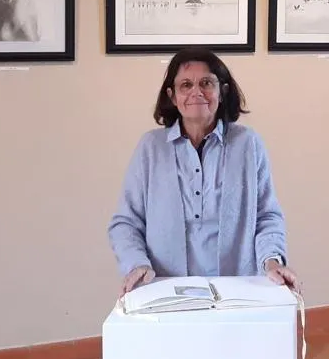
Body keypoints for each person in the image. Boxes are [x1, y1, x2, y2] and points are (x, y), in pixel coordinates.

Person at [107, 47, 299, 297]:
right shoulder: (151, 147)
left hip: (236, 289)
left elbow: (267, 216)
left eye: (206, 83)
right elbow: (125, 223)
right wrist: (136, 264)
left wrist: (272, 261)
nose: (196, 92)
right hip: (166, 289)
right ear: (172, 96)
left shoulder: (248, 144)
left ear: (223, 91)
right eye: (185, 85)